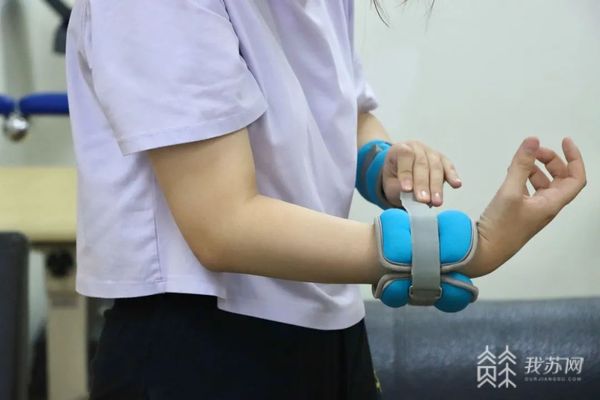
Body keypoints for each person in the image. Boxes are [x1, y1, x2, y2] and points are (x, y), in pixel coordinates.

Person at [64, 1, 586, 399]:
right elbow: (222, 226)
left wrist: (381, 163)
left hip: (330, 327)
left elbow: (346, 113)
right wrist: (465, 249)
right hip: (196, 344)